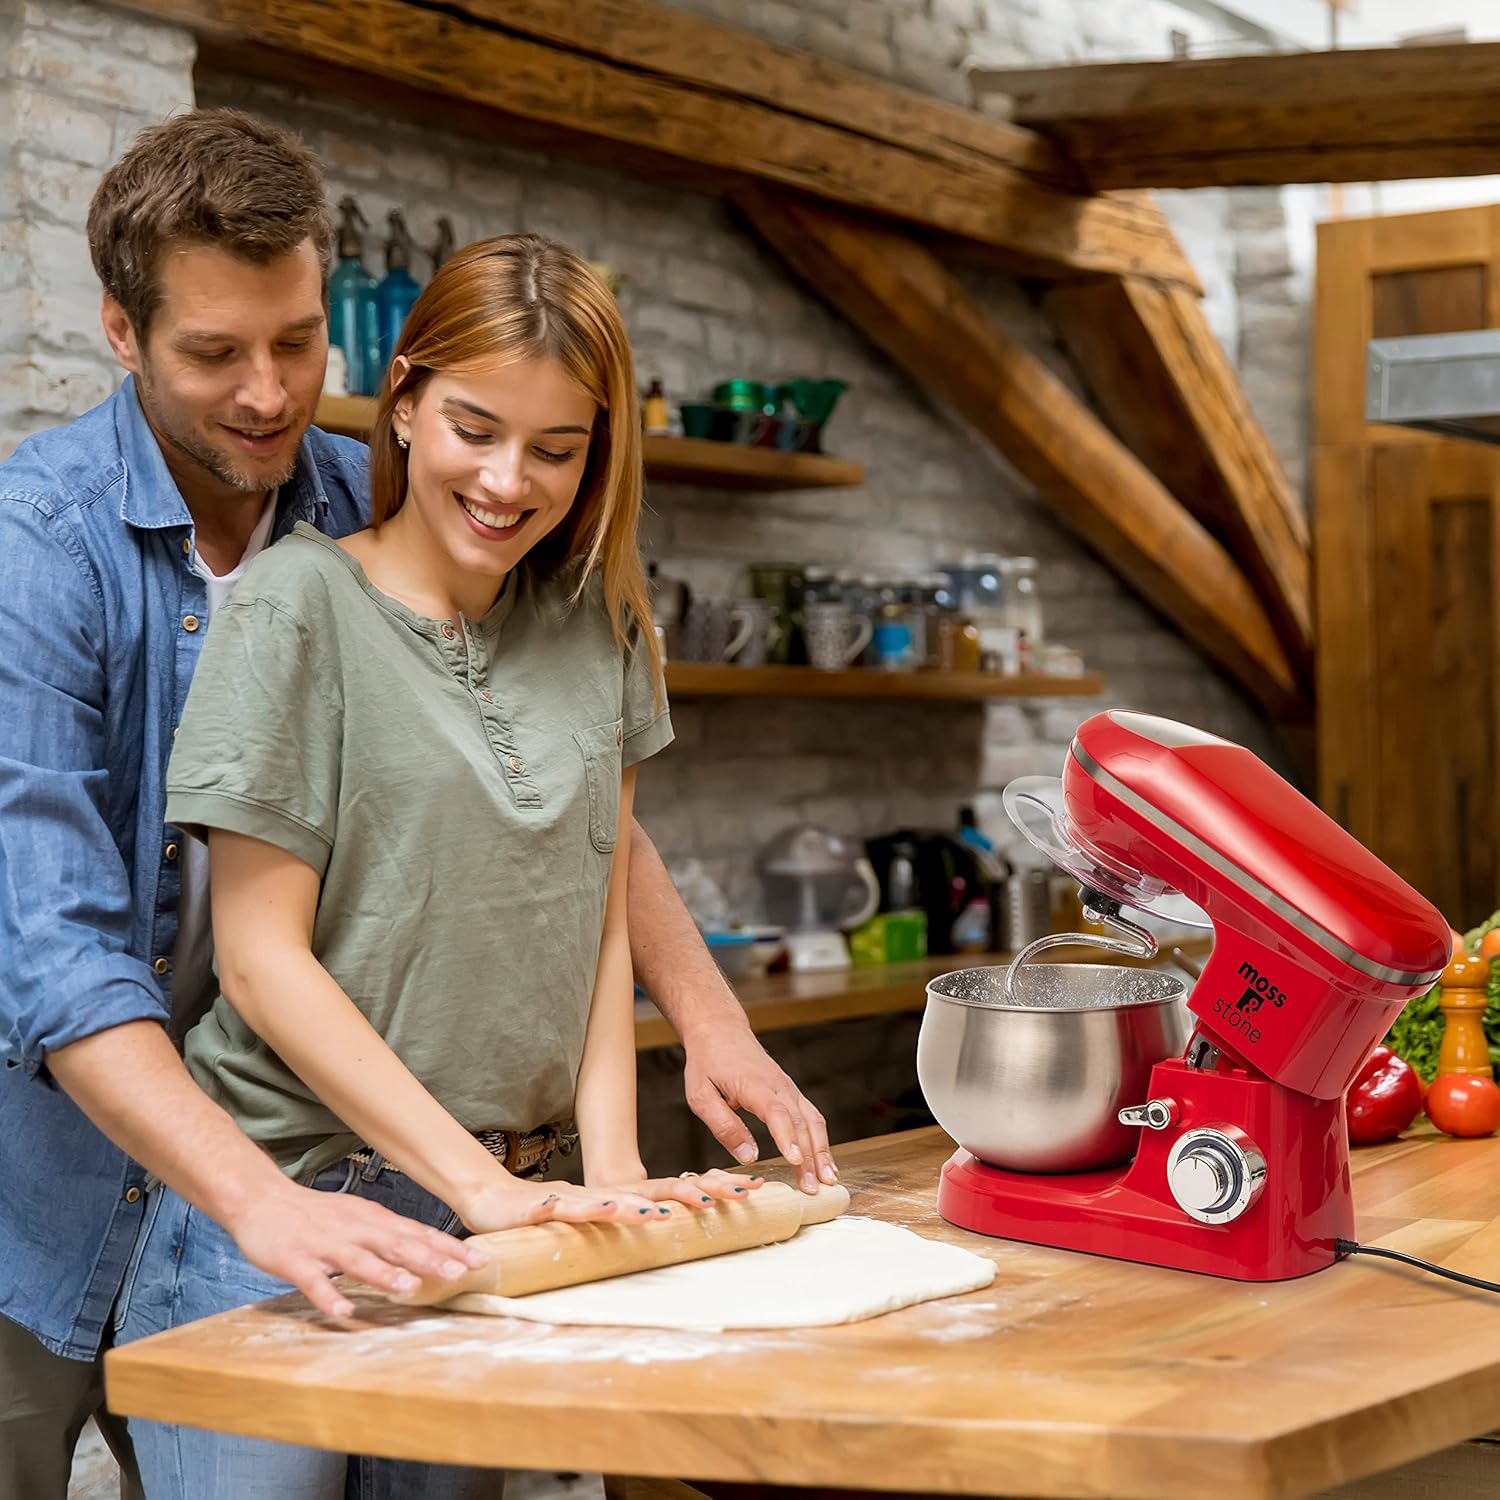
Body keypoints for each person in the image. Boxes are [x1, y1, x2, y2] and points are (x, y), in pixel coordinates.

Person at [0, 108, 833, 1500]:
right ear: (121, 332)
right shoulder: (41, 555)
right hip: (71, 1176)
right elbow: (56, 958)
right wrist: (260, 1201)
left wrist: (708, 1020)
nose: (268, 395)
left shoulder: (378, 504)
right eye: (214, 353)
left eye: (296, 342)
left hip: (376, 1168)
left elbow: (570, 816)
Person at [119, 230, 758, 1496]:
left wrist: (612, 1167)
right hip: (293, 1218)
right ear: (403, 400)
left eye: (557, 450)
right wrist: (476, 1184)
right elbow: (256, 961)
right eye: (474, 426)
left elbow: (596, 920)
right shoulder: (297, 604)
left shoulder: (603, 620)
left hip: (505, 1226)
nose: (508, 480)